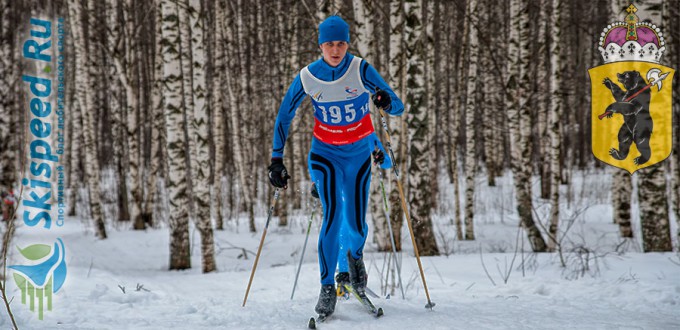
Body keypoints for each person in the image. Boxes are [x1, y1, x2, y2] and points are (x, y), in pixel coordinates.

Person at [268, 16, 404, 317]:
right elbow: (284, 116)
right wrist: (276, 159)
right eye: (329, 43)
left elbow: (397, 106)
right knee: (332, 216)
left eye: (341, 43)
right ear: (320, 45)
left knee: (356, 225)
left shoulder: (360, 70)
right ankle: (327, 287)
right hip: (324, 155)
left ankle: (355, 258)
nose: (335, 49)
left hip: (357, 157)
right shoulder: (307, 76)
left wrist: (384, 99)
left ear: (347, 44)